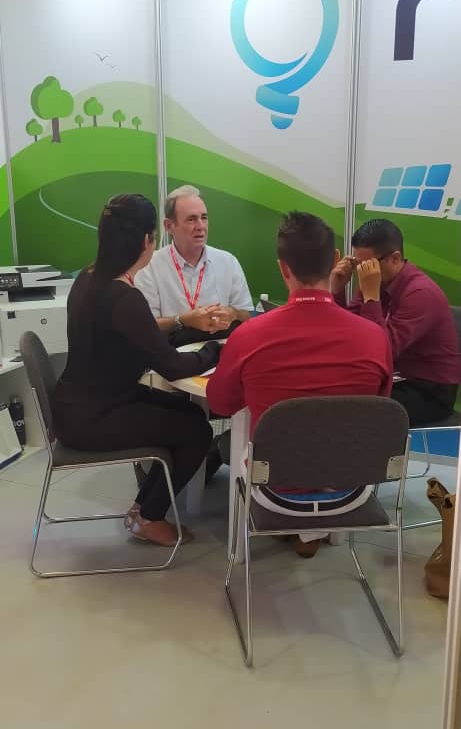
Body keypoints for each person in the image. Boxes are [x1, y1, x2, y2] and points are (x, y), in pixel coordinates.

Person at [207, 212, 393, 557]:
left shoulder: (248, 336)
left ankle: (291, 534)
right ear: (335, 260)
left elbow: (219, 403)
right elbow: (380, 407)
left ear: (282, 268)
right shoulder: (374, 338)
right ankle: (311, 533)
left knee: (232, 444)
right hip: (350, 486)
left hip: (274, 489)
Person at [51, 194, 221, 546]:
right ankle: (150, 517)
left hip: (82, 404)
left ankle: (143, 507)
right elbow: (172, 366)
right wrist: (215, 350)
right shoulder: (123, 297)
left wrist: (185, 329)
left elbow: (139, 336)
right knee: (197, 432)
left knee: (190, 413)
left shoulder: (88, 278)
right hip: (94, 416)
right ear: (147, 240)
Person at [330, 218, 461, 424]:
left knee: (353, 407)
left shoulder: (421, 293)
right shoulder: (375, 281)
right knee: (332, 389)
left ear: (395, 258)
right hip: (397, 377)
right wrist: (336, 291)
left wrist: (371, 297)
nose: (363, 272)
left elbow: (382, 351)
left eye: (369, 265)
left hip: (429, 391)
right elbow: (350, 335)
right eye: (358, 264)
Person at [135, 184, 253, 338]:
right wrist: (183, 320)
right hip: (173, 349)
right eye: (191, 219)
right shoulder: (149, 266)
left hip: (221, 347)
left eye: (204, 218)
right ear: (169, 226)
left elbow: (248, 315)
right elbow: (146, 326)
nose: (200, 226)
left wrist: (233, 313)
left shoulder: (228, 262)